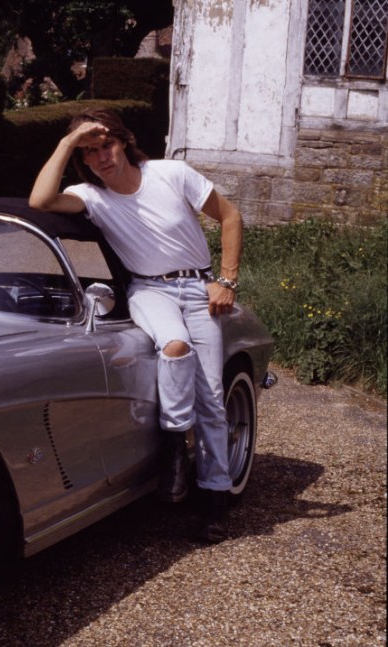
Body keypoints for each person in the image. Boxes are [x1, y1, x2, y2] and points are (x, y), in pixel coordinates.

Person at [29, 108, 243, 543]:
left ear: (123, 141)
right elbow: (40, 201)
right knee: (175, 346)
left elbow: (231, 217)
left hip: (199, 287)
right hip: (149, 290)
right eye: (90, 152)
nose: (101, 157)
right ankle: (175, 447)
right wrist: (67, 143)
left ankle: (215, 501)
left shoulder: (172, 173)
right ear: (83, 161)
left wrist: (226, 281)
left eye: (105, 144)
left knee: (214, 400)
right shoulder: (91, 197)